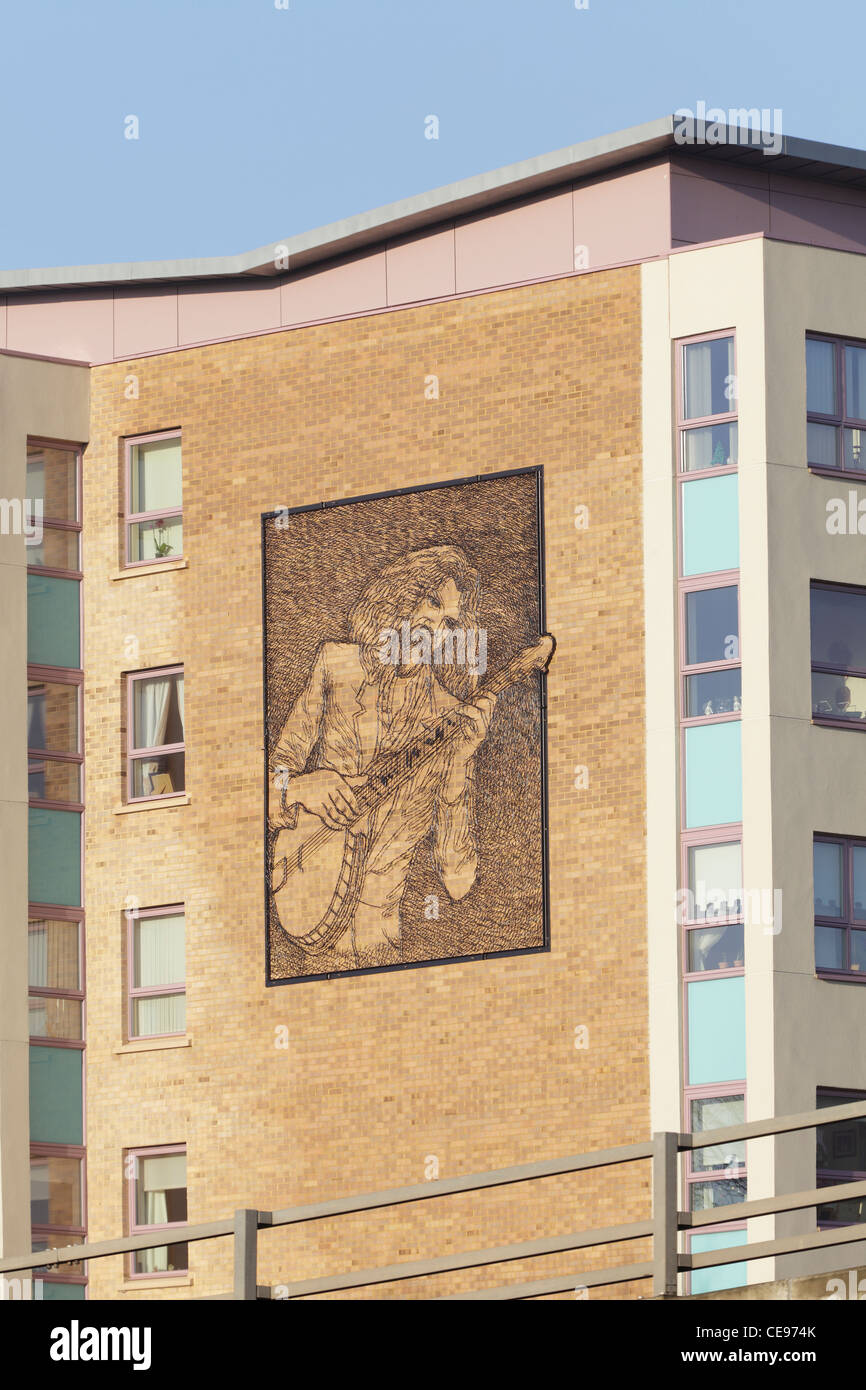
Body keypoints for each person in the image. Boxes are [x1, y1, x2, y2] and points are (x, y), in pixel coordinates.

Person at [269, 546, 496, 961]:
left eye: (449, 622)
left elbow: (458, 880)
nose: (434, 626)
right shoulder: (336, 666)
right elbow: (268, 787)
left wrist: (461, 762)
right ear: (401, 598)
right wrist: (302, 787)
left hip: (379, 949)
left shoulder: (450, 720)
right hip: (303, 921)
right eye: (431, 603)